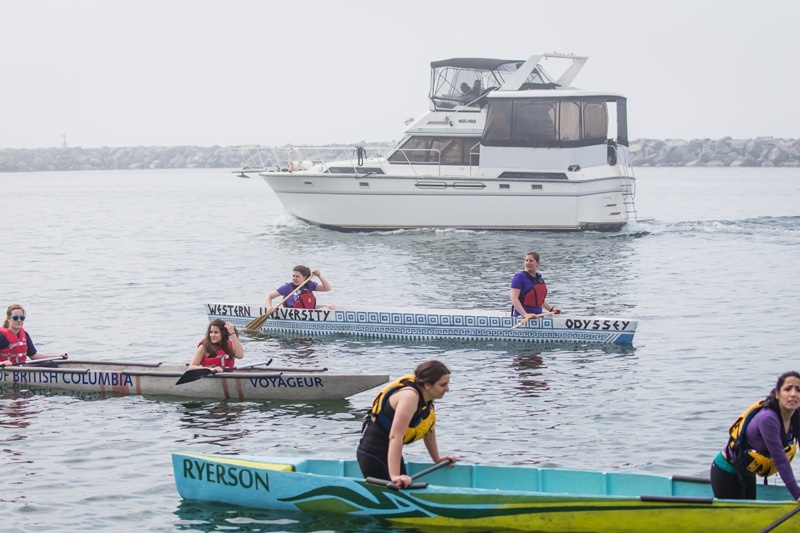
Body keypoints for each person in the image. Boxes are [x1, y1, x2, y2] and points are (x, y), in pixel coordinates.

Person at [357, 360, 457, 488]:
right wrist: (394, 476)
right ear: (427, 385)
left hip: (391, 453)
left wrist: (437, 459)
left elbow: (428, 428)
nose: (447, 389)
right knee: (395, 496)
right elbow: (395, 437)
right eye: (443, 385)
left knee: (402, 490)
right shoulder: (410, 396)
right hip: (374, 452)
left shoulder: (428, 397)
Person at [710, 371, 800, 502]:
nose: (793, 394)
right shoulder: (768, 419)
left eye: (798, 389)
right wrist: (797, 495)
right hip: (728, 471)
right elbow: (780, 460)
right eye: (787, 389)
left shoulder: (797, 415)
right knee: (738, 520)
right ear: (778, 394)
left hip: (748, 473)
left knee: (749, 517)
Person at [0, 304, 67, 366]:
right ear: (8, 318)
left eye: (22, 318)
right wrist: (2, 363)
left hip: (21, 370)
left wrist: (57, 357)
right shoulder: (1, 336)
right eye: (15, 318)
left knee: (51, 364)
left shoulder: (24, 335)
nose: (19, 320)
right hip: (6, 370)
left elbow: (34, 356)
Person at [265, 266, 338, 313]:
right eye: (293, 276)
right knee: (326, 309)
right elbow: (269, 296)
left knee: (332, 306)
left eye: (297, 276)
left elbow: (327, 288)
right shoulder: (287, 287)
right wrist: (269, 307)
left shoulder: (309, 284)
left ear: (305, 277)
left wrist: (319, 276)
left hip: (309, 314)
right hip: (294, 314)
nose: (294, 278)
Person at [510, 251, 561, 317]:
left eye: (531, 261)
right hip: (522, 317)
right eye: (526, 260)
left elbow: (539, 299)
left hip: (537, 316)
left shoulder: (538, 277)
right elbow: (514, 298)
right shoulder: (519, 277)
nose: (528, 263)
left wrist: (551, 309)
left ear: (537, 263)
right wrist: (525, 314)